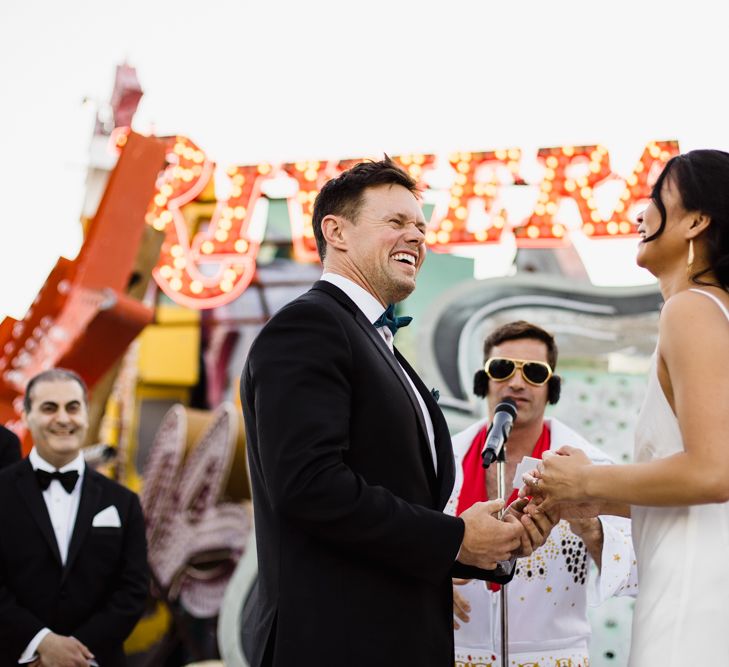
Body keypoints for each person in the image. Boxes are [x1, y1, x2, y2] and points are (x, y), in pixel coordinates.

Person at [240, 158, 545, 667]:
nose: (417, 237)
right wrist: (456, 538)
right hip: (337, 645)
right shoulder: (310, 327)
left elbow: (397, 503)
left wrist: (488, 543)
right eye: (397, 222)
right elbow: (309, 486)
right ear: (335, 231)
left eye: (421, 226)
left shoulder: (377, 343)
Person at [523, 149, 729, 665]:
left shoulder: (692, 311)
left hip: (693, 598)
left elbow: (714, 472)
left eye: (656, 199)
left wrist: (588, 482)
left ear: (696, 222)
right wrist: (590, 497)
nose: (640, 215)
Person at [447, 321, 637, 666]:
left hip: (553, 657)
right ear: (483, 380)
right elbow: (405, 540)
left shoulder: (590, 463)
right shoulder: (442, 458)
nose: (516, 383)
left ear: (551, 388)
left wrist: (590, 525)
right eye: (502, 368)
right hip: (456, 652)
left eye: (534, 372)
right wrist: (432, 574)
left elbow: (637, 570)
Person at [0, 368, 149, 667]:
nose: (63, 419)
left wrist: (75, 654)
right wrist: (40, 642)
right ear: (28, 416)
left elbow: (133, 591)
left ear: (86, 413)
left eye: (73, 407)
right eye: (48, 408)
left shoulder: (124, 502)